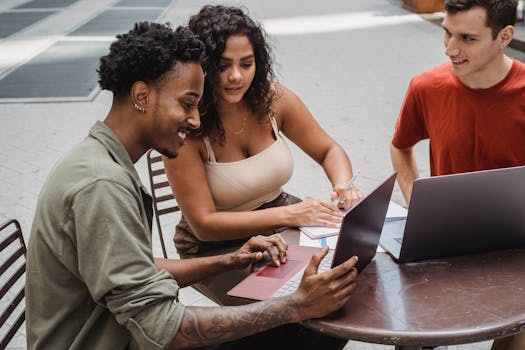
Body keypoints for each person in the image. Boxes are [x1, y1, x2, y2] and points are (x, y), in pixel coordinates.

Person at [25, 22, 359, 350]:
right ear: (141, 95)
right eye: (187, 104)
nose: (197, 120)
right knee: (306, 330)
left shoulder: (102, 161)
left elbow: (137, 270)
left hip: (121, 330)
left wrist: (230, 260)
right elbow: (161, 328)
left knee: (310, 320)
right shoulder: (102, 185)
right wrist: (296, 307)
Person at [164, 5, 362, 258]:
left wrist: (343, 185)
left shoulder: (273, 99)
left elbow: (328, 150)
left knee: (350, 261)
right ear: (200, 67)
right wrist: (291, 214)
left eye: (246, 64)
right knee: (307, 294)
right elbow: (204, 225)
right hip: (217, 248)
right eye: (222, 66)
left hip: (281, 223)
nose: (236, 76)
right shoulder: (187, 127)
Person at [390, 1, 525, 349]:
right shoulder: (426, 87)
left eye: (466, 38)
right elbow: (400, 146)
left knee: (520, 327)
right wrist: (415, 199)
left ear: (504, 36)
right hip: (443, 237)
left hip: (517, 241)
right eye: (447, 33)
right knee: (410, 333)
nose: (450, 48)